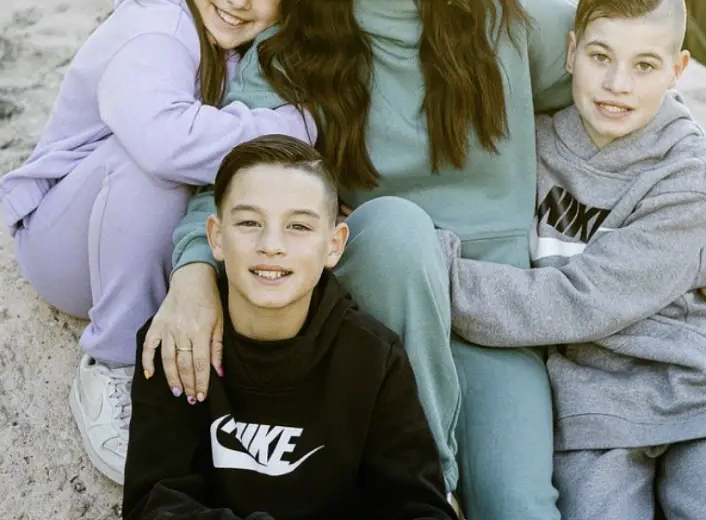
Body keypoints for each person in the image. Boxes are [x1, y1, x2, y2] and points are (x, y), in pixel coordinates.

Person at [142, 0, 706, 520]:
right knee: (394, 228)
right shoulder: (294, 53)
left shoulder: (504, 11)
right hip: (377, 307)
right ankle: (426, 491)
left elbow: (630, 85)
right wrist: (192, 275)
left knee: (519, 506)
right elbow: (231, 180)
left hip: (497, 313)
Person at [0, 0, 314, 485]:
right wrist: (290, 125)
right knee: (149, 161)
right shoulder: (156, 24)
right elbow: (165, 143)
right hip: (68, 246)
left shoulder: (242, 35)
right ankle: (111, 360)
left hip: (152, 243)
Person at [443, 0, 706, 519]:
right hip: (588, 409)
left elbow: (581, 301)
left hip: (699, 394)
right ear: (571, 52)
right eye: (601, 57)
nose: (617, 84)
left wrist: (433, 273)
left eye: (645, 66)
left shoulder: (689, 176)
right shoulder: (531, 145)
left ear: (678, 70)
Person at [122, 135, 456, 520]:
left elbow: (417, 506)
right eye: (249, 222)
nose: (272, 245)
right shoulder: (179, 343)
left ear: (334, 244)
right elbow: (152, 503)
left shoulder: (373, 357)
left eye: (298, 226)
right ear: (215, 236)